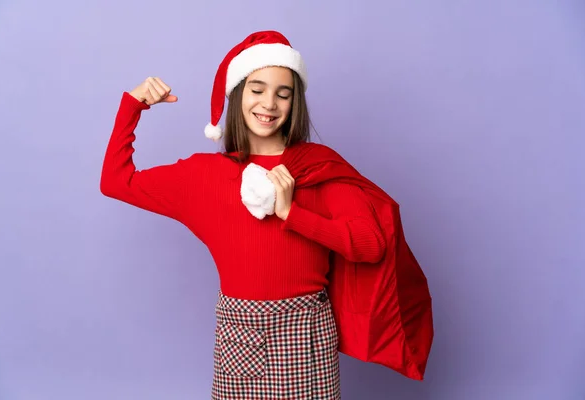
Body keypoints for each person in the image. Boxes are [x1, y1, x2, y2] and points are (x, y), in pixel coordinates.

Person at [101, 30, 432, 399]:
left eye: (283, 93)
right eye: (257, 89)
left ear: (295, 103)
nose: (269, 103)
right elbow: (116, 182)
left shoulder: (317, 167)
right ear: (239, 94)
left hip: (306, 336)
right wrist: (133, 105)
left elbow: (371, 246)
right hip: (240, 336)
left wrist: (292, 212)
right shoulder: (202, 176)